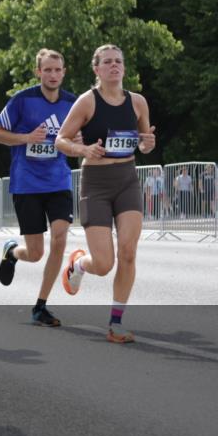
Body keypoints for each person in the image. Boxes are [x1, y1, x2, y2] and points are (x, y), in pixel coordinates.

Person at [56, 44, 156, 344]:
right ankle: (78, 264)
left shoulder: (138, 102)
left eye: (119, 62)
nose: (114, 66)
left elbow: (144, 143)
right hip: (96, 182)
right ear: (96, 69)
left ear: (124, 68)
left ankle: (116, 323)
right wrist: (83, 149)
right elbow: (61, 139)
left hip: (127, 179)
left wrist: (147, 144)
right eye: (108, 62)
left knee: (128, 252)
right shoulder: (87, 102)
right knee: (103, 264)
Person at [0, 48, 76, 328]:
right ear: (38, 72)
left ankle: (40, 306)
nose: (53, 75)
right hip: (27, 183)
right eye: (47, 70)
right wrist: (26, 137)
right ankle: (13, 252)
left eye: (57, 70)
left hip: (58, 180)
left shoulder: (72, 103)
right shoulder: (22, 100)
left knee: (60, 238)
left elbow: (81, 135)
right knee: (36, 253)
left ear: (64, 72)